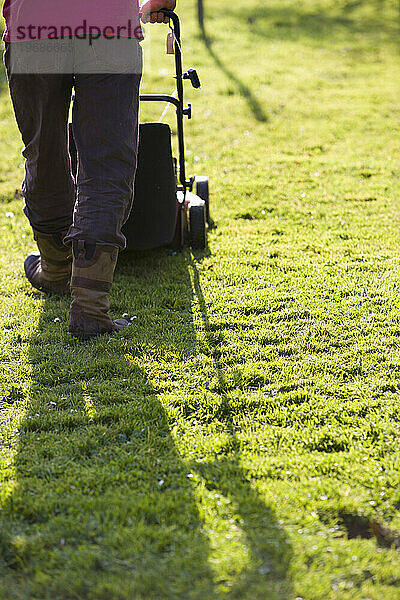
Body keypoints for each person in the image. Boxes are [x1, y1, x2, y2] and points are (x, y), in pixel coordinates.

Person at [3, 0, 176, 340]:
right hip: (109, 25)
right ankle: (89, 306)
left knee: (44, 151)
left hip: (34, 25)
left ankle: (55, 268)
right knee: (107, 164)